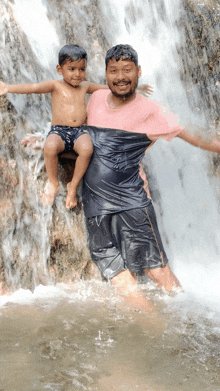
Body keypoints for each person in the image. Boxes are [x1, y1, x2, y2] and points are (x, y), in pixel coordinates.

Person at [21, 44, 220, 310]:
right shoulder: (96, 100)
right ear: (105, 74)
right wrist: (45, 140)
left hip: (132, 205)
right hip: (96, 209)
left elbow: (195, 135)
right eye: (114, 71)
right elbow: (80, 136)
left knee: (156, 271)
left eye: (127, 70)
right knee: (117, 275)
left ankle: (187, 322)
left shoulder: (151, 110)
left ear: (138, 72)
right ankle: (155, 334)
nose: (121, 76)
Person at [0, 44, 152, 209]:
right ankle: (53, 183)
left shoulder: (85, 86)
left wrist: (134, 88)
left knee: (87, 149)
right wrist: (8, 88)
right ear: (60, 69)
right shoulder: (55, 85)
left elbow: (107, 89)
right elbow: (33, 88)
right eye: (72, 69)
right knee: (50, 147)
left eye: (81, 69)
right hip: (59, 130)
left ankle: (73, 185)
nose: (77, 74)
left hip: (80, 131)